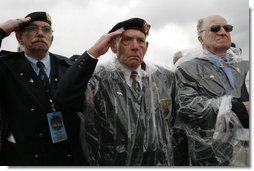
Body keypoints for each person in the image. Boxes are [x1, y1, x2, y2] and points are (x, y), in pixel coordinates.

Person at [55, 18, 176, 166]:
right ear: (113, 46)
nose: (135, 46)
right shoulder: (98, 78)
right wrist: (93, 53)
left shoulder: (164, 77)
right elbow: (64, 97)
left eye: (141, 41)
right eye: (127, 40)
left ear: (147, 46)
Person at [0, 11, 89, 166]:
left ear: (51, 39)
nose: (40, 33)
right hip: (24, 158)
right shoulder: (6, 66)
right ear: (19, 37)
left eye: (46, 30)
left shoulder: (69, 67)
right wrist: (1, 31)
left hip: (65, 158)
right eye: (33, 28)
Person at [174, 14, 249, 166]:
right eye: (215, 28)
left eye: (227, 28)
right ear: (200, 38)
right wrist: (236, 109)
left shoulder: (245, 66)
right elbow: (187, 108)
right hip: (211, 155)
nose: (223, 32)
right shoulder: (187, 68)